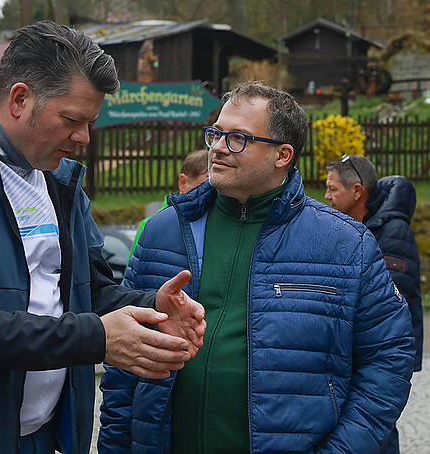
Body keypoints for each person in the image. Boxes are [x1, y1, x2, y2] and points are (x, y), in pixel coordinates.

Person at [0, 21, 206, 454]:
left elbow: (92, 293)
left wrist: (152, 309)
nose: (84, 138)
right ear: (20, 99)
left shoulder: (57, 178)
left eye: (90, 122)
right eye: (72, 119)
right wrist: (97, 338)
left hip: (46, 438)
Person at [98, 81, 416, 453]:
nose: (218, 147)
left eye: (238, 138)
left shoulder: (346, 244)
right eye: (216, 134)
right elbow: (123, 367)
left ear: (282, 155)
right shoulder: (161, 232)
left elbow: (389, 357)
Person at [325, 154, 423, 454]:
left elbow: (389, 311)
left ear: (357, 192)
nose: (326, 196)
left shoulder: (392, 233)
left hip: (380, 354)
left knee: (376, 427)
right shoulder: (351, 226)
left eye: (333, 189)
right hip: (354, 351)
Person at [129, 149, 209, 258]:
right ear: (183, 182)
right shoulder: (149, 226)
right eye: (207, 181)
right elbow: (133, 268)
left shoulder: (213, 223)